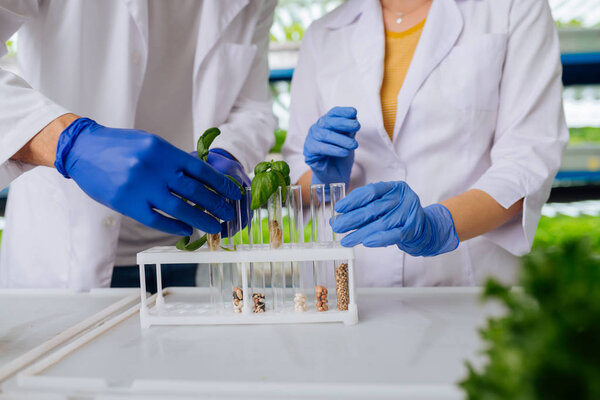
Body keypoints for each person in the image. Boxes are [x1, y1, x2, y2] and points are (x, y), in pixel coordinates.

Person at [283, 0, 568, 286]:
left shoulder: (514, 8)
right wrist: (322, 178)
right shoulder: (323, 34)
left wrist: (438, 226)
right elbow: (296, 173)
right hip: (350, 283)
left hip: (466, 282)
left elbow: (527, 159)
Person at [0, 1, 276, 290]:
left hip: (186, 254)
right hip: (62, 253)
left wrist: (227, 150)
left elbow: (251, 106)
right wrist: (70, 142)